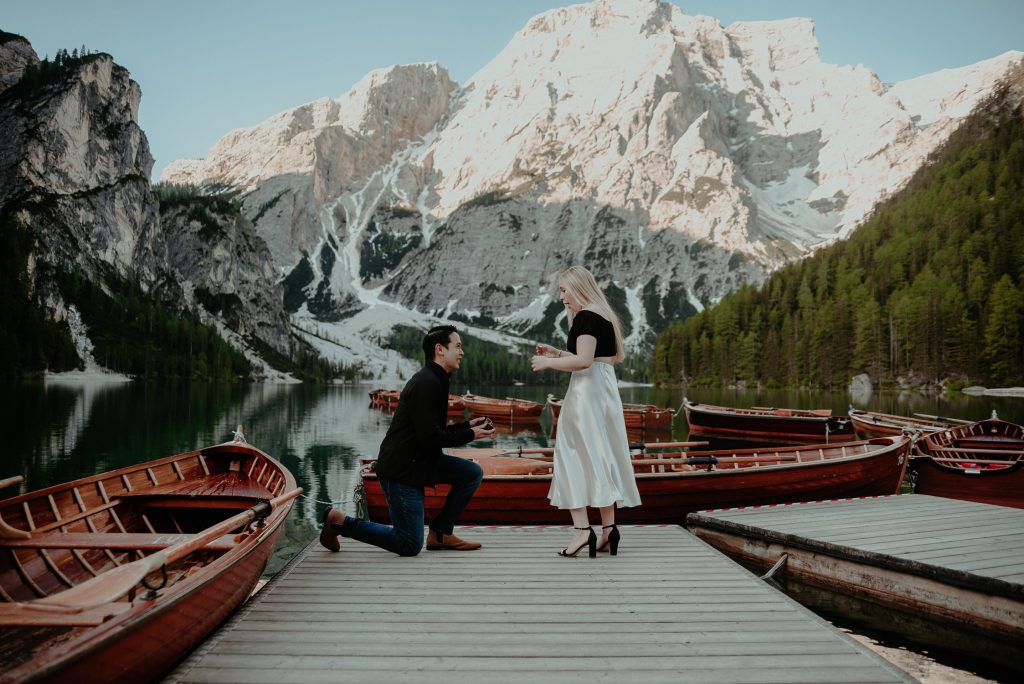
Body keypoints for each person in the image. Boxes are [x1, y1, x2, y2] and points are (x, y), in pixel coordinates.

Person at [320, 324, 494, 556]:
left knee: (471, 473)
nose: (462, 352)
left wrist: (467, 426)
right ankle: (339, 522)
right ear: (440, 349)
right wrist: (470, 435)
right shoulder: (427, 383)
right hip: (401, 470)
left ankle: (441, 533)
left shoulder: (437, 379)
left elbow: (430, 430)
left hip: (420, 462)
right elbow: (430, 438)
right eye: (458, 346)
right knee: (409, 545)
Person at [531, 266, 641, 557]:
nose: (562, 297)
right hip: (603, 391)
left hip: (585, 395)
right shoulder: (602, 316)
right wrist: (557, 354)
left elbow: (582, 362)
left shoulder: (585, 317)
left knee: (571, 456)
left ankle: (581, 531)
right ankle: (609, 529)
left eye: (565, 290)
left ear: (579, 288)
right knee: (601, 455)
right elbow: (593, 358)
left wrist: (547, 364)